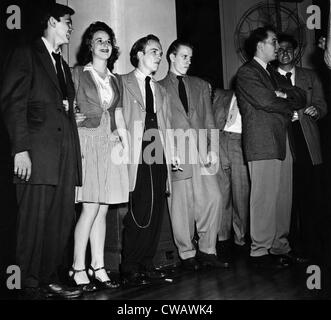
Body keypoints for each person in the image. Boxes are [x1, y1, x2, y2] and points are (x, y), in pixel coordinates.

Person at [0, 4, 82, 298]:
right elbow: (13, 103)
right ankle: (27, 285)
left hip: (64, 158)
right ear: (51, 22)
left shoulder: (61, 63)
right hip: (36, 156)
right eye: (68, 22)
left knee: (59, 222)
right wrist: (20, 149)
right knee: (31, 224)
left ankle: (48, 279)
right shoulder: (26, 54)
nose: (71, 28)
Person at [236, 26, 306, 268]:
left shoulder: (273, 74)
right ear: (260, 45)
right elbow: (265, 100)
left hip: (281, 140)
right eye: (273, 42)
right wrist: (283, 99)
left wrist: (282, 95)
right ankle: (260, 252)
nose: (277, 47)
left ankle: (279, 246)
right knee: (264, 198)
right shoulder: (247, 73)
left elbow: (299, 95)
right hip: (262, 142)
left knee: (282, 197)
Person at [70, 21, 129, 291]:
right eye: (99, 41)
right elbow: (64, 105)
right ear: (90, 46)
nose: (105, 45)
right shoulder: (78, 74)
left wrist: (125, 144)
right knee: (90, 207)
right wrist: (72, 116)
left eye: (108, 41)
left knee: (103, 209)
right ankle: (77, 268)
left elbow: (117, 114)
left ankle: (98, 266)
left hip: (109, 144)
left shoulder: (115, 80)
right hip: (87, 142)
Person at [159, 40, 227, 271]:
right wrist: (169, 152)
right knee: (181, 205)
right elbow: (162, 125)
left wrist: (213, 149)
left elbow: (210, 120)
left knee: (214, 198)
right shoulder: (158, 87)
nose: (188, 61)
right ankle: (187, 254)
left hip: (200, 151)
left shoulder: (200, 85)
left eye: (190, 57)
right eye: (184, 56)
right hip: (177, 152)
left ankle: (208, 250)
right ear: (171, 57)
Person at [119, 35, 172, 286]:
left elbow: (168, 125)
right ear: (138, 54)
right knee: (139, 207)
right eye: (154, 51)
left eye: (160, 53)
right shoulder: (122, 82)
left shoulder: (160, 89)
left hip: (157, 147)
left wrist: (174, 152)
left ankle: (147, 263)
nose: (159, 57)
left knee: (157, 205)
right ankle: (129, 265)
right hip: (136, 148)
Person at [276, 33, 327, 262]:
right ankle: (290, 245)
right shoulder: (268, 78)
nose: (285, 52)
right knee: (287, 197)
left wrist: (318, 110)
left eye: (289, 48)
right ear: (275, 52)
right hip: (282, 141)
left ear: (296, 52)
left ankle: (312, 244)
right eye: (281, 48)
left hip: (307, 142)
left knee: (311, 195)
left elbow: (322, 103)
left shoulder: (310, 75)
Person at [212, 88, 250, 262]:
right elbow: (210, 117)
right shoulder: (222, 94)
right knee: (221, 194)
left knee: (241, 194)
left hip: (241, 142)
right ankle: (222, 240)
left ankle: (240, 239)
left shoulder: (253, 95)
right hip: (220, 140)